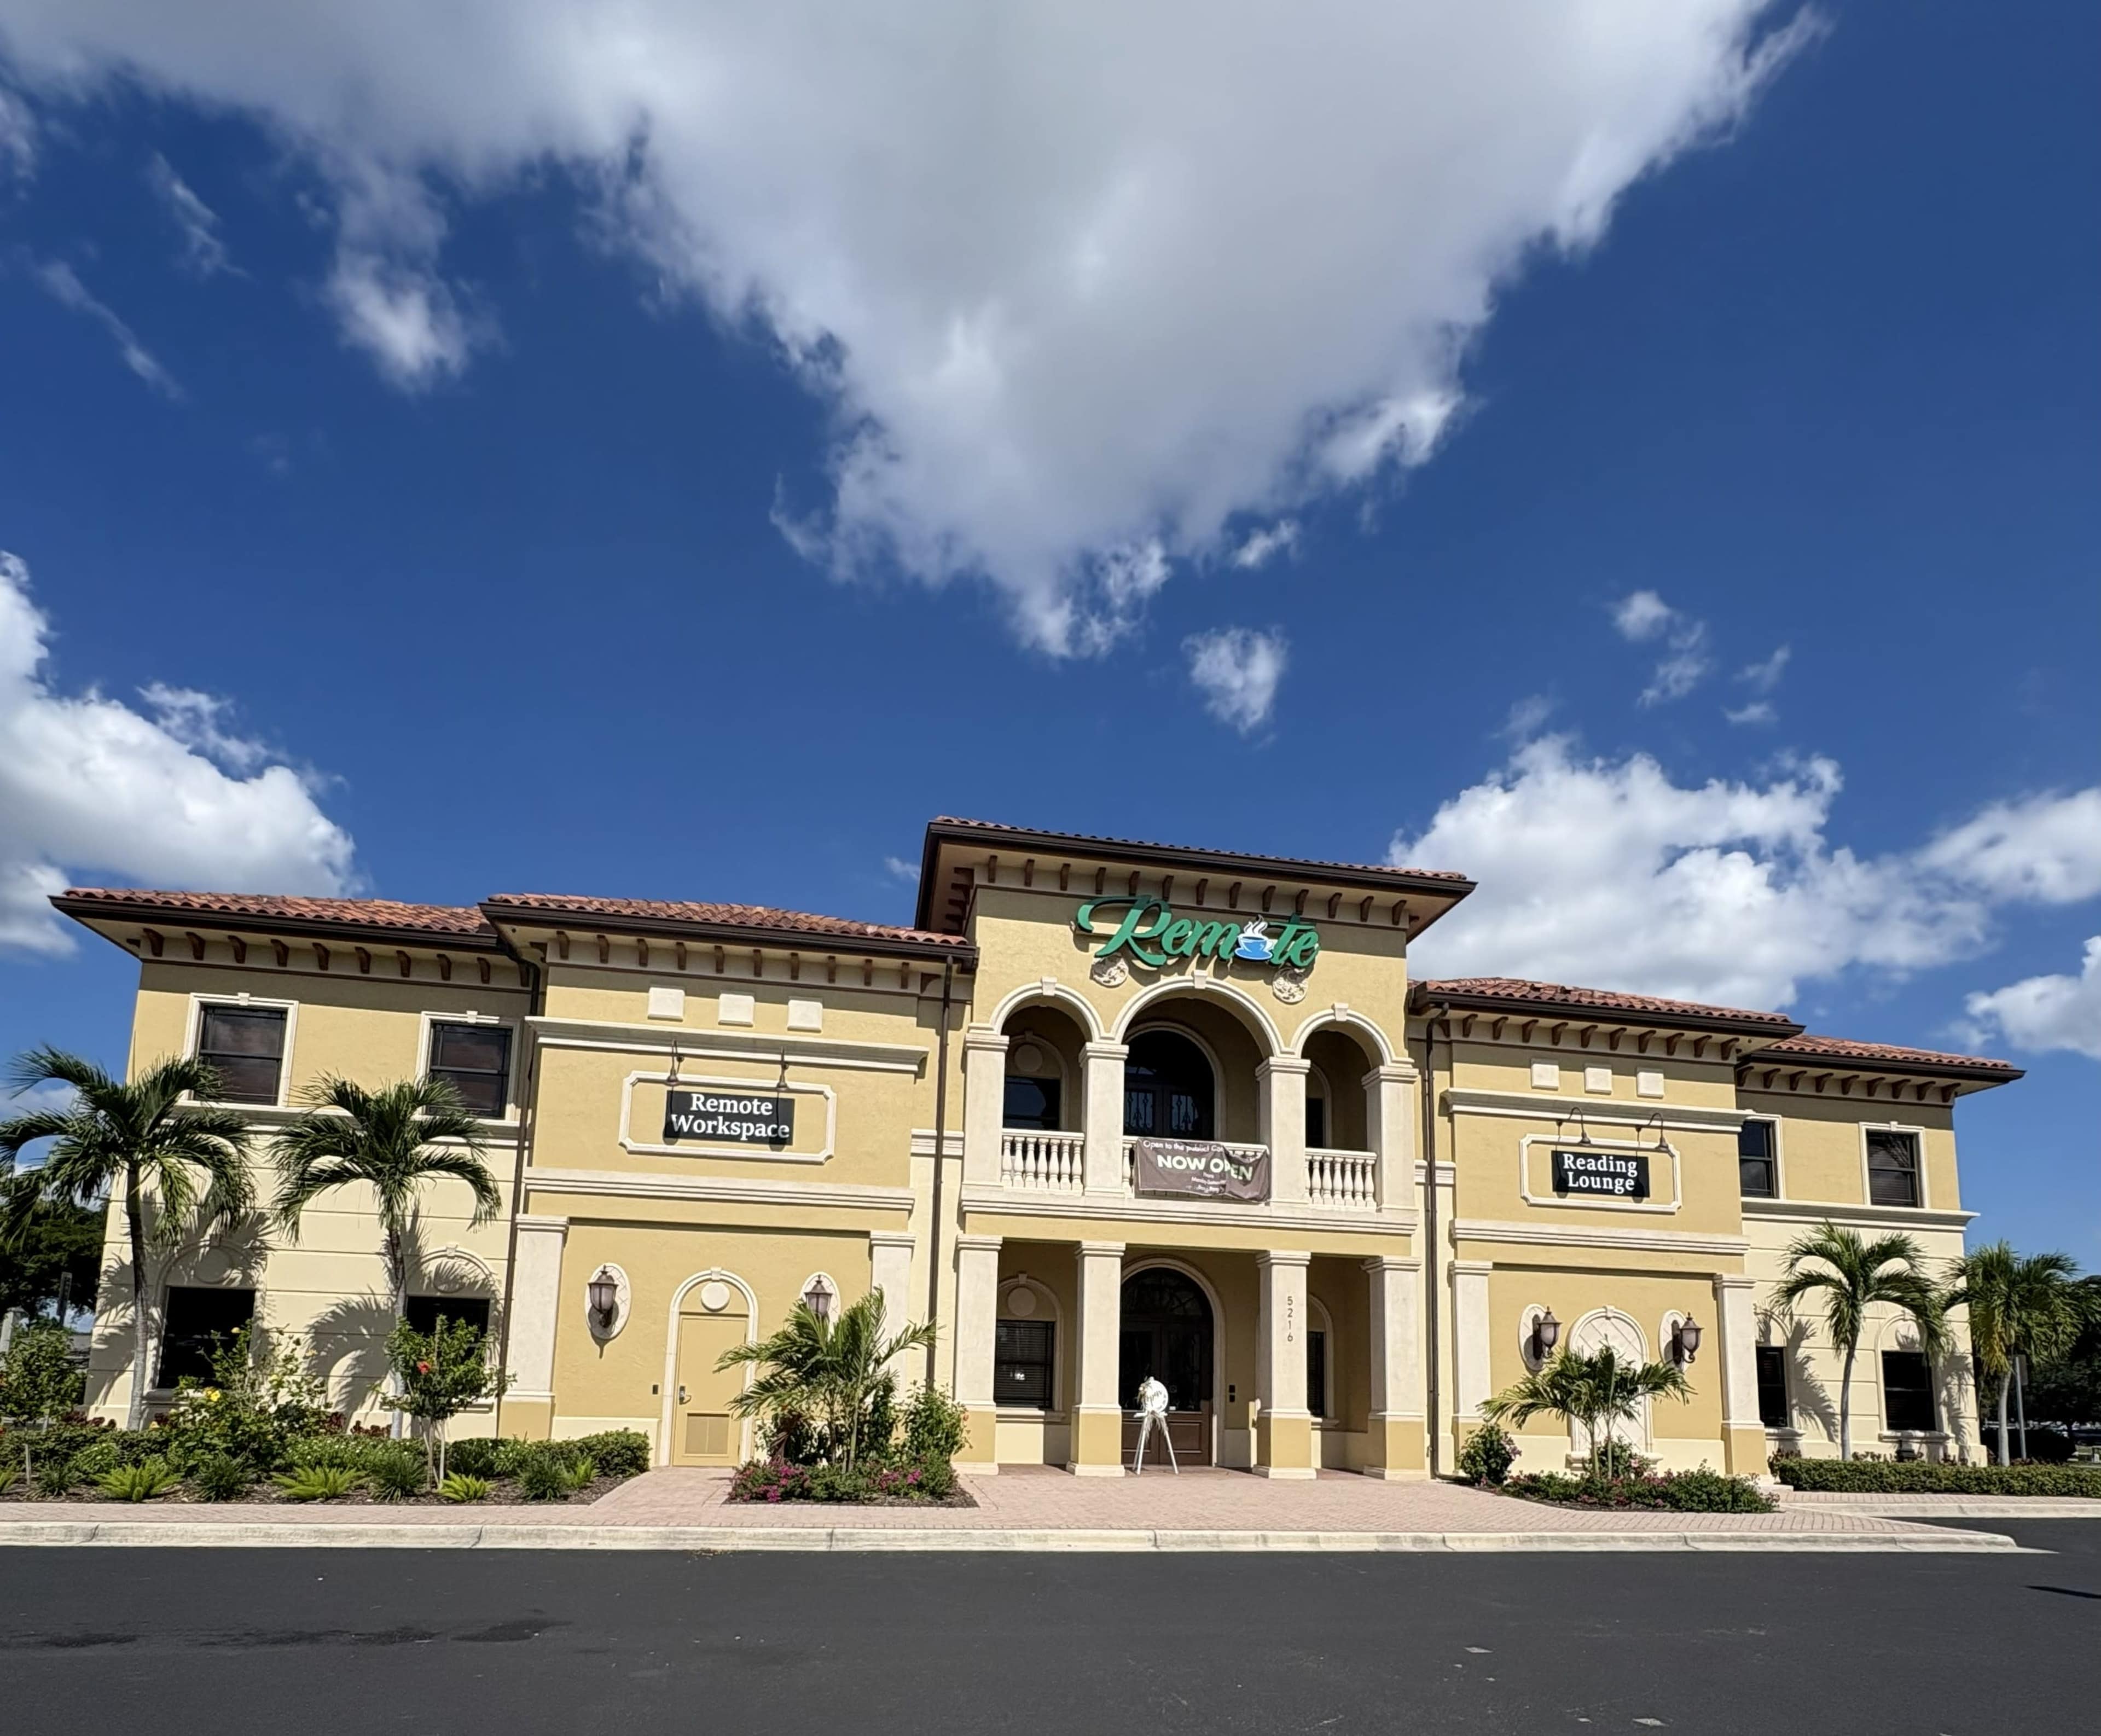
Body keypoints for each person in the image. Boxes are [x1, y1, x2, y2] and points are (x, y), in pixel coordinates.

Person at [1131, 1373, 1176, 1474]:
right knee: (1144, 1435)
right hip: (1150, 1410)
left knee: (1164, 1432)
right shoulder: (1146, 1392)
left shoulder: (1158, 1391)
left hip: (1157, 1410)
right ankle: (1137, 1467)